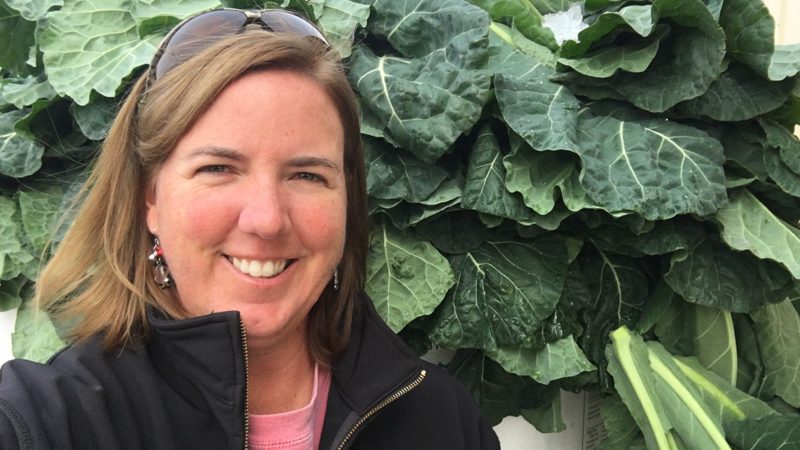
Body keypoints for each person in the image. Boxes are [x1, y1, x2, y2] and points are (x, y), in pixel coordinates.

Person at [0, 7, 500, 450]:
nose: (266, 220)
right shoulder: (42, 421)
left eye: (307, 175)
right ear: (149, 198)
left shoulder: (442, 417)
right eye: (218, 169)